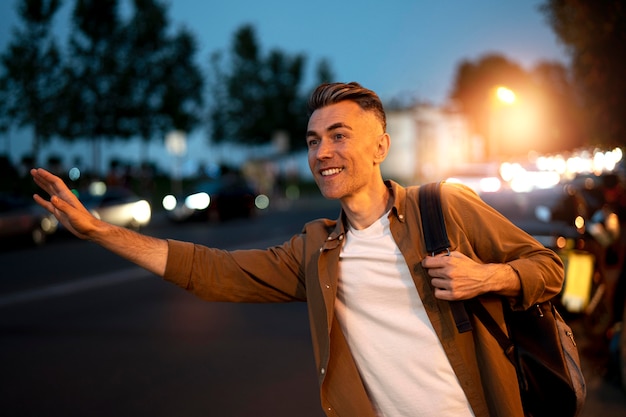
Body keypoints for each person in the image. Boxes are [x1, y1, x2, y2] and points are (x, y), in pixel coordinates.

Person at [31, 82, 564, 417]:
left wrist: (490, 278)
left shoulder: (443, 207)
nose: (322, 152)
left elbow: (549, 267)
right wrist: (102, 232)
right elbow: (210, 270)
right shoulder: (316, 249)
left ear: (381, 146)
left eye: (338, 136)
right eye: (313, 141)